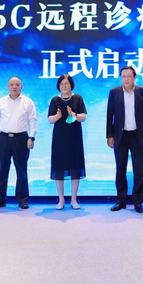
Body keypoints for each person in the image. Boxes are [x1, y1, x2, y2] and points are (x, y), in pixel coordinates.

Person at [106, 66, 143, 213]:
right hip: (120, 136)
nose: (126, 79)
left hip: (137, 135)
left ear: (134, 78)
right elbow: (109, 115)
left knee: (139, 169)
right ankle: (121, 201)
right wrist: (109, 135)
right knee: (120, 169)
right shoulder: (114, 92)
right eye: (123, 76)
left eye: (129, 76)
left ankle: (138, 202)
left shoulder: (142, 92)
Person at [0, 77, 37, 210]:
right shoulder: (1, 102)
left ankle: (22, 199)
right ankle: (0, 199)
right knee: (2, 170)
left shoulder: (27, 102)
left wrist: (31, 137)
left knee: (21, 170)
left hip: (21, 138)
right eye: (11, 84)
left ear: (21, 87)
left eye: (17, 84)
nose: (14, 87)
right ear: (8, 87)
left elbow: (32, 120)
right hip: (4, 138)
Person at [48, 74, 87, 210]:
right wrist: (57, 116)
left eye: (66, 83)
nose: (64, 86)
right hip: (59, 138)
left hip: (74, 137)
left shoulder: (78, 98)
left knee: (75, 167)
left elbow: (83, 117)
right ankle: (61, 200)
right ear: (58, 86)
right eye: (62, 84)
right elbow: (50, 120)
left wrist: (74, 115)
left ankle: (74, 199)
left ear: (71, 85)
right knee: (59, 167)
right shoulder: (55, 100)